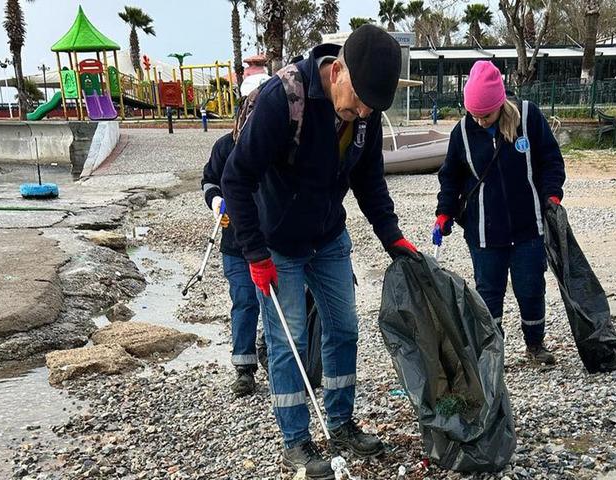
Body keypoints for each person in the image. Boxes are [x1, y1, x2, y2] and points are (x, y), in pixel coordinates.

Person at [221, 25, 418, 479]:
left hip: (329, 238)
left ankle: (341, 423)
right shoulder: (282, 99)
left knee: (344, 329)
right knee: (290, 343)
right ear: (337, 70)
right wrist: (255, 254)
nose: (364, 111)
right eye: (360, 99)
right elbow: (236, 178)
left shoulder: (364, 114)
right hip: (279, 244)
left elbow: (370, 182)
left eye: (373, 106)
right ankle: (296, 441)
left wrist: (392, 237)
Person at [433, 60, 565, 366]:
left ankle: (535, 345)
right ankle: (493, 352)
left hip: (528, 228)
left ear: (500, 104)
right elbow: (450, 177)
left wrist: (552, 195)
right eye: (474, 115)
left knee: (531, 289)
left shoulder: (528, 118)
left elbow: (551, 160)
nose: (479, 121)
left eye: (486, 115)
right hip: (483, 232)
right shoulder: (462, 133)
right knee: (488, 296)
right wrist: (444, 213)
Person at [200, 75, 270, 397]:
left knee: (273, 301)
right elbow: (209, 181)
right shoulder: (224, 147)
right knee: (244, 301)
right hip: (234, 244)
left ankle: (271, 351)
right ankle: (244, 368)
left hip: (272, 242)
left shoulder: (277, 144)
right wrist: (215, 201)